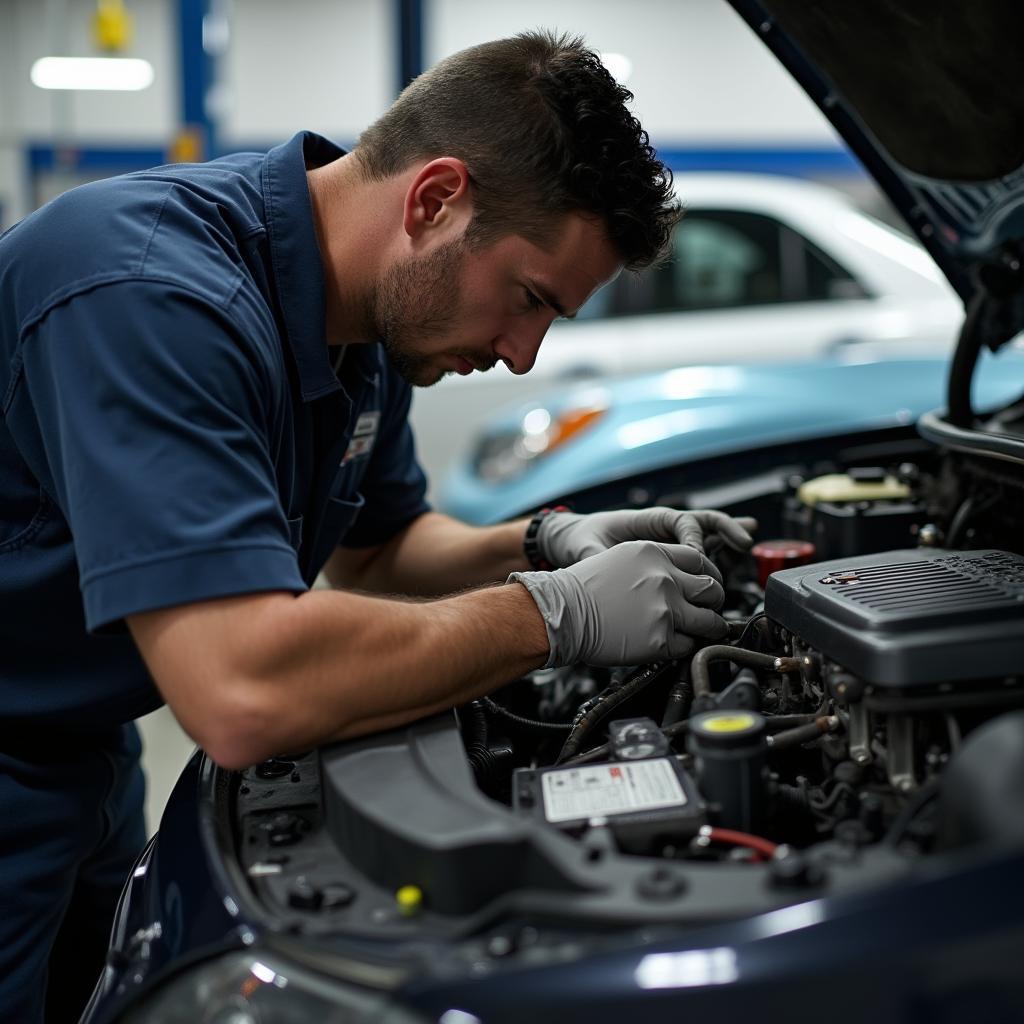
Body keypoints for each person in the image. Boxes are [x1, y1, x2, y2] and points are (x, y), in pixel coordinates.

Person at [0, 30, 753, 1022]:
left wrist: (550, 540)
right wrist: (556, 613)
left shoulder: (358, 327)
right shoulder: (147, 295)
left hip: (78, 741)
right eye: (527, 298)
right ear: (435, 200)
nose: (524, 355)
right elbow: (239, 689)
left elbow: (381, 552)